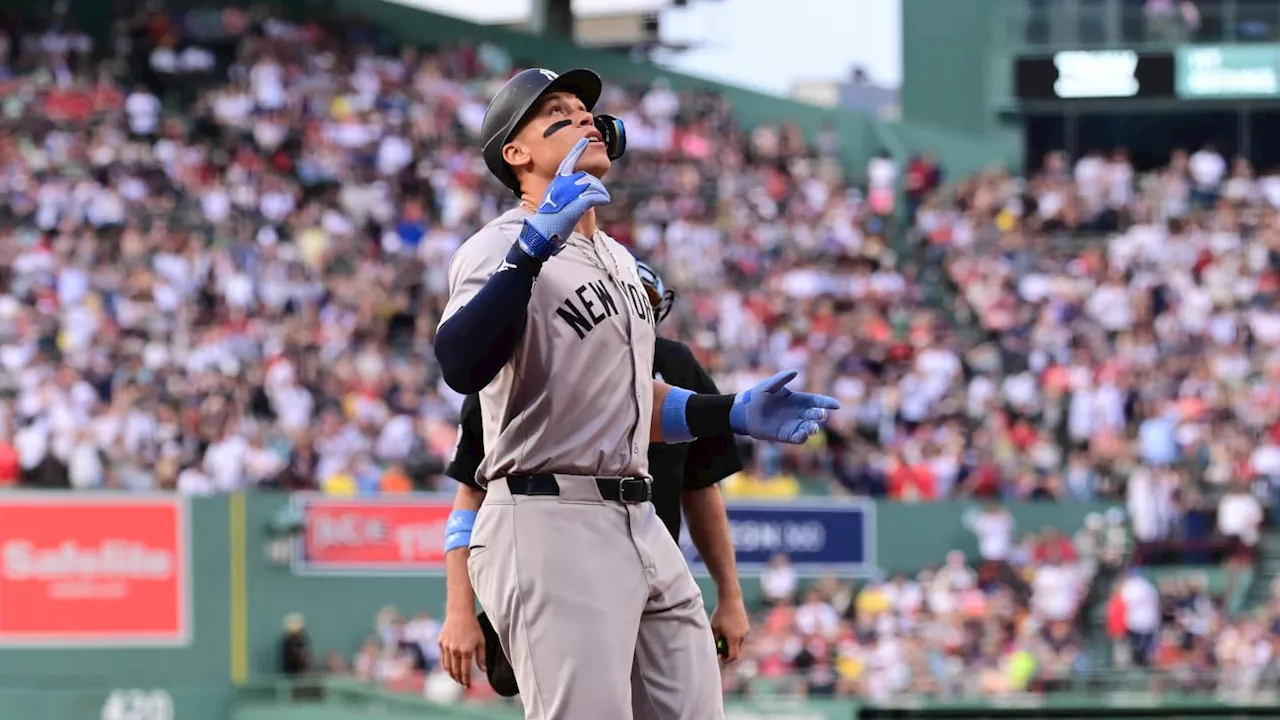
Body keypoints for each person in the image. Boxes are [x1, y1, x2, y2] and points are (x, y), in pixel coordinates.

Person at [431, 67, 838, 720]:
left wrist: (727, 412)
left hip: (641, 517)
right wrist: (533, 248)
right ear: (517, 153)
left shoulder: (620, 261)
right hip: (547, 516)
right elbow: (459, 362)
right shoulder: (499, 244)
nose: (585, 118)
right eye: (557, 114)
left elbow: (631, 407)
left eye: (588, 111)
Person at [439, 260, 751, 692]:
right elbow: (468, 499)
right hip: (558, 563)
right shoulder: (523, 362)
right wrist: (458, 608)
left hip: (650, 571)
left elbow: (701, 489)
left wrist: (731, 596)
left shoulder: (676, 365)